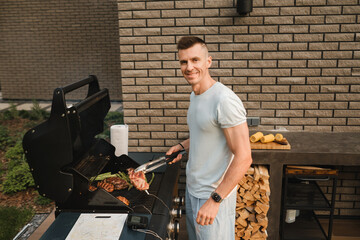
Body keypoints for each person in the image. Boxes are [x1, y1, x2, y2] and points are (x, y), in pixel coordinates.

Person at [166, 36, 253, 240]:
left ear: (208, 61)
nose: (189, 67)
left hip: (213, 195)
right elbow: (206, 133)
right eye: (184, 62)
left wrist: (215, 200)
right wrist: (183, 146)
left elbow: (244, 156)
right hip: (193, 189)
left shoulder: (224, 100)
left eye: (195, 60)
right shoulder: (195, 95)